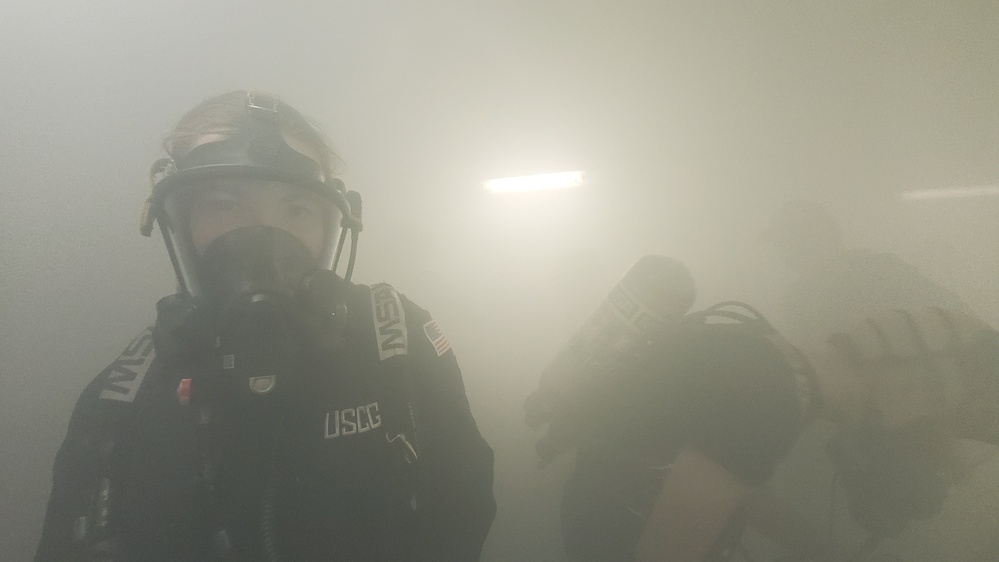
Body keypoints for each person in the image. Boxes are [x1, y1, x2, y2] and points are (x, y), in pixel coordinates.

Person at [34, 90, 496, 561]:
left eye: (296, 209)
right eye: (224, 204)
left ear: (332, 228)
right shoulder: (120, 398)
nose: (263, 238)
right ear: (178, 224)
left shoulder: (395, 340)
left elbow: (466, 507)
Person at [534, 288, 999, 560]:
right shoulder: (769, 400)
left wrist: (817, 549)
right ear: (919, 385)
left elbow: (722, 485)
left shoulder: (766, 360)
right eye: (941, 423)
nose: (935, 447)